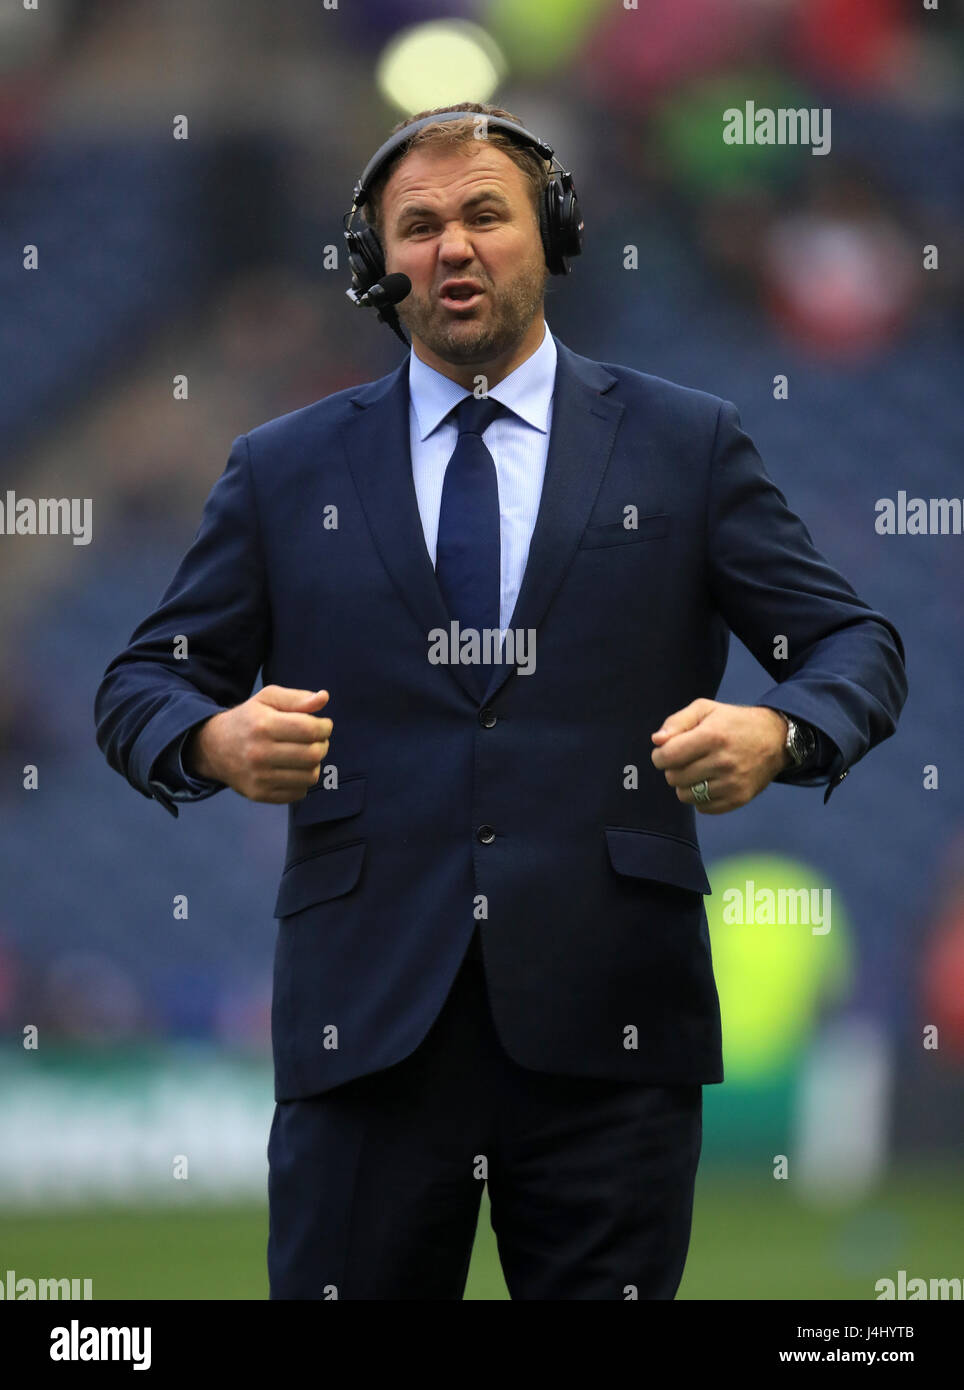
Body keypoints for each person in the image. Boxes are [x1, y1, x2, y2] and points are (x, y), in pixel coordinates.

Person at [94, 103, 908, 1299]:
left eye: (484, 212)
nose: (452, 245)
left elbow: (850, 642)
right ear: (378, 266)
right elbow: (140, 680)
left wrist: (780, 730)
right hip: (365, 1034)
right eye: (415, 226)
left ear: (553, 237)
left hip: (611, 1033)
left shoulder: (686, 445)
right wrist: (211, 736)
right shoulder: (283, 467)